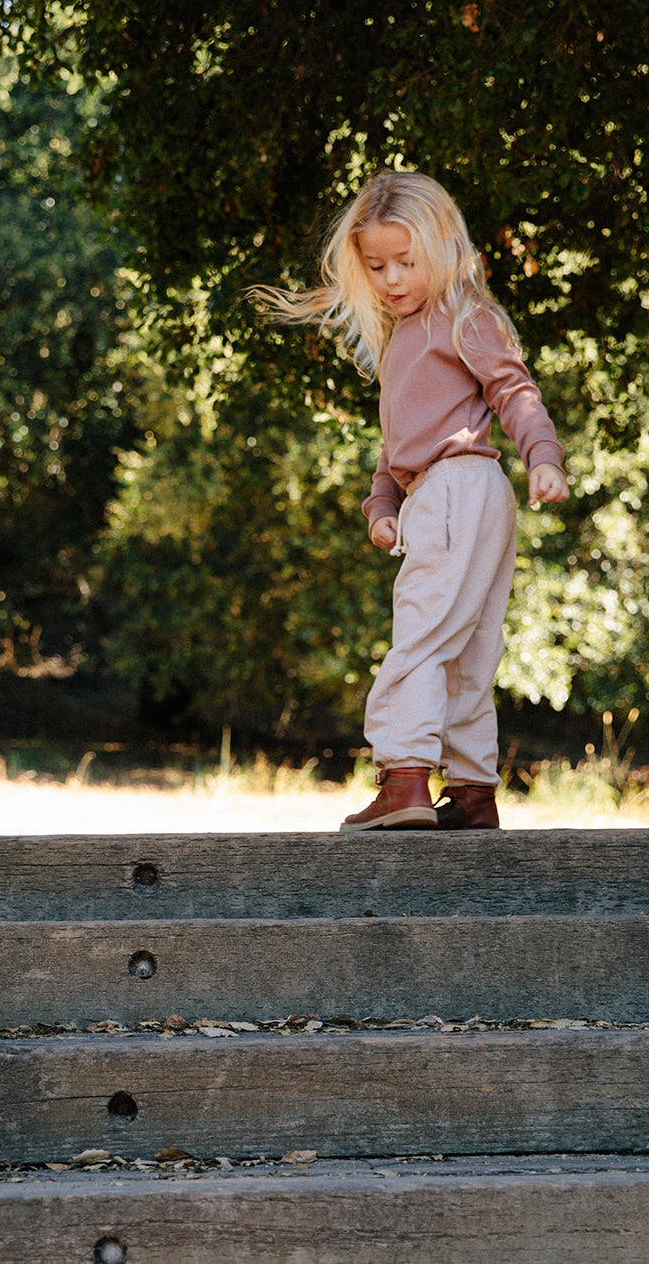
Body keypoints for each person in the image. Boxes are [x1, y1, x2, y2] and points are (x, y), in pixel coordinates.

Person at [257, 171, 569, 832]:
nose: (391, 278)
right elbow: (396, 446)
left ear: (444, 248)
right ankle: (473, 794)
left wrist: (543, 455)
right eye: (376, 266)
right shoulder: (404, 337)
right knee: (468, 651)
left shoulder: (463, 318)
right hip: (458, 493)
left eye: (407, 261)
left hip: (457, 489)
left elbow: (515, 392)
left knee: (422, 639)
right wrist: (382, 507)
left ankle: (403, 780)